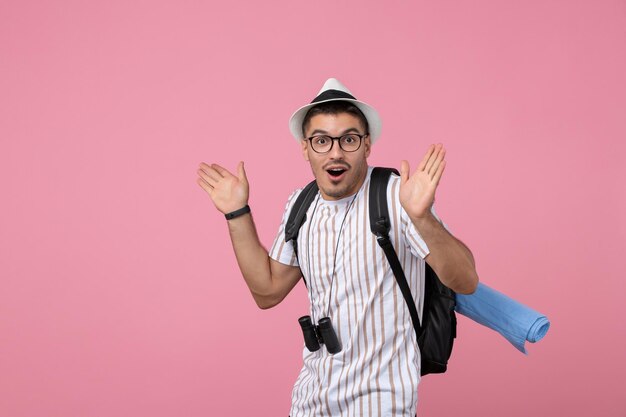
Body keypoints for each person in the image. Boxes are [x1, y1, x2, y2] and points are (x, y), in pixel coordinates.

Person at [196, 78, 479, 417]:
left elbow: (466, 280)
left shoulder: (397, 197)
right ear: (305, 148)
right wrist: (237, 213)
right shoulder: (301, 204)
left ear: (366, 145)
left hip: (381, 404)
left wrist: (422, 218)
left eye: (348, 139)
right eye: (321, 141)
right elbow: (267, 292)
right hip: (310, 401)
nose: (335, 152)